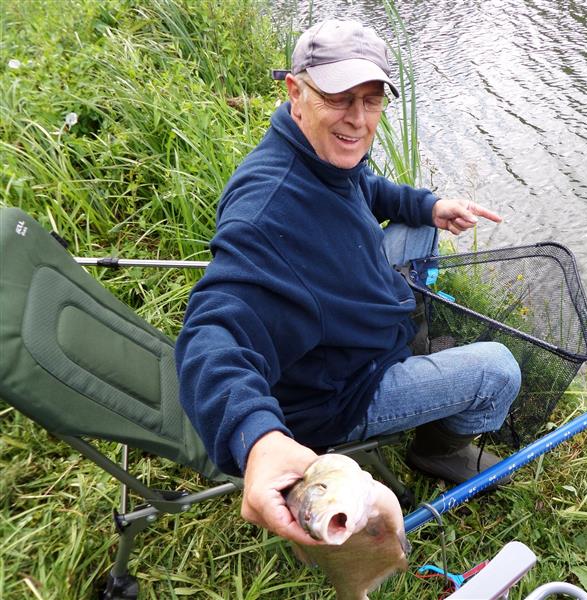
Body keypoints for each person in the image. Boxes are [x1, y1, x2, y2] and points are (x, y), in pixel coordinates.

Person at [175, 19, 521, 546]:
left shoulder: (318, 151)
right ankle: (436, 450)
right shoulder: (267, 215)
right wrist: (259, 438)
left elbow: (365, 186)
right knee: (498, 369)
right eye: (339, 99)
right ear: (296, 92)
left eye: (371, 100)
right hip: (339, 394)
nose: (358, 120)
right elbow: (212, 336)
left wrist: (431, 206)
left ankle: (410, 340)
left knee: (418, 227)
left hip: (346, 327)